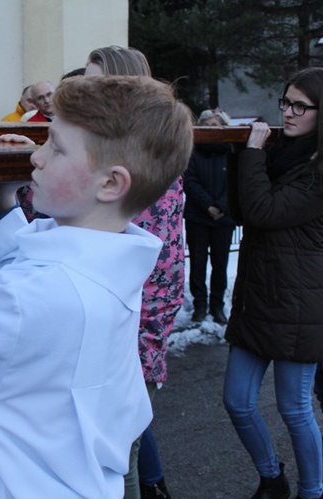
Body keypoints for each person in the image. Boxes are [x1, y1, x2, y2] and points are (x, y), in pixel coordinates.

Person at [0, 75, 194, 497]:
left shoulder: (39, 296)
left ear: (110, 183)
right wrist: (6, 203)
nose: (36, 157)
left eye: (56, 146)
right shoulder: (114, 262)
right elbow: (42, 274)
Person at [85, 45, 185, 499]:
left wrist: (143, 359)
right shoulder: (103, 149)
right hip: (98, 335)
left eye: (96, 84)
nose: (83, 93)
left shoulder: (145, 161)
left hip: (123, 342)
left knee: (111, 464)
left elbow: (162, 274)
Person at [223, 66, 323, 499]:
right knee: (237, 401)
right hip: (258, 297)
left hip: (301, 306)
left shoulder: (318, 172)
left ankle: (313, 490)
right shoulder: (282, 153)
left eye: (300, 105)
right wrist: (244, 154)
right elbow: (244, 209)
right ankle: (271, 477)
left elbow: (264, 211)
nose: (288, 111)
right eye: (285, 102)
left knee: (295, 409)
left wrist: (252, 154)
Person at [184, 108, 236, 324]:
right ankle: (200, 306)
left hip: (224, 218)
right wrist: (208, 206)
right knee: (197, 264)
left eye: (215, 125)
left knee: (220, 264)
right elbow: (190, 181)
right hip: (198, 216)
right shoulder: (192, 152)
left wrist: (221, 206)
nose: (211, 129)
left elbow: (235, 181)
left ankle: (217, 306)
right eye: (207, 125)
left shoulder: (231, 151)